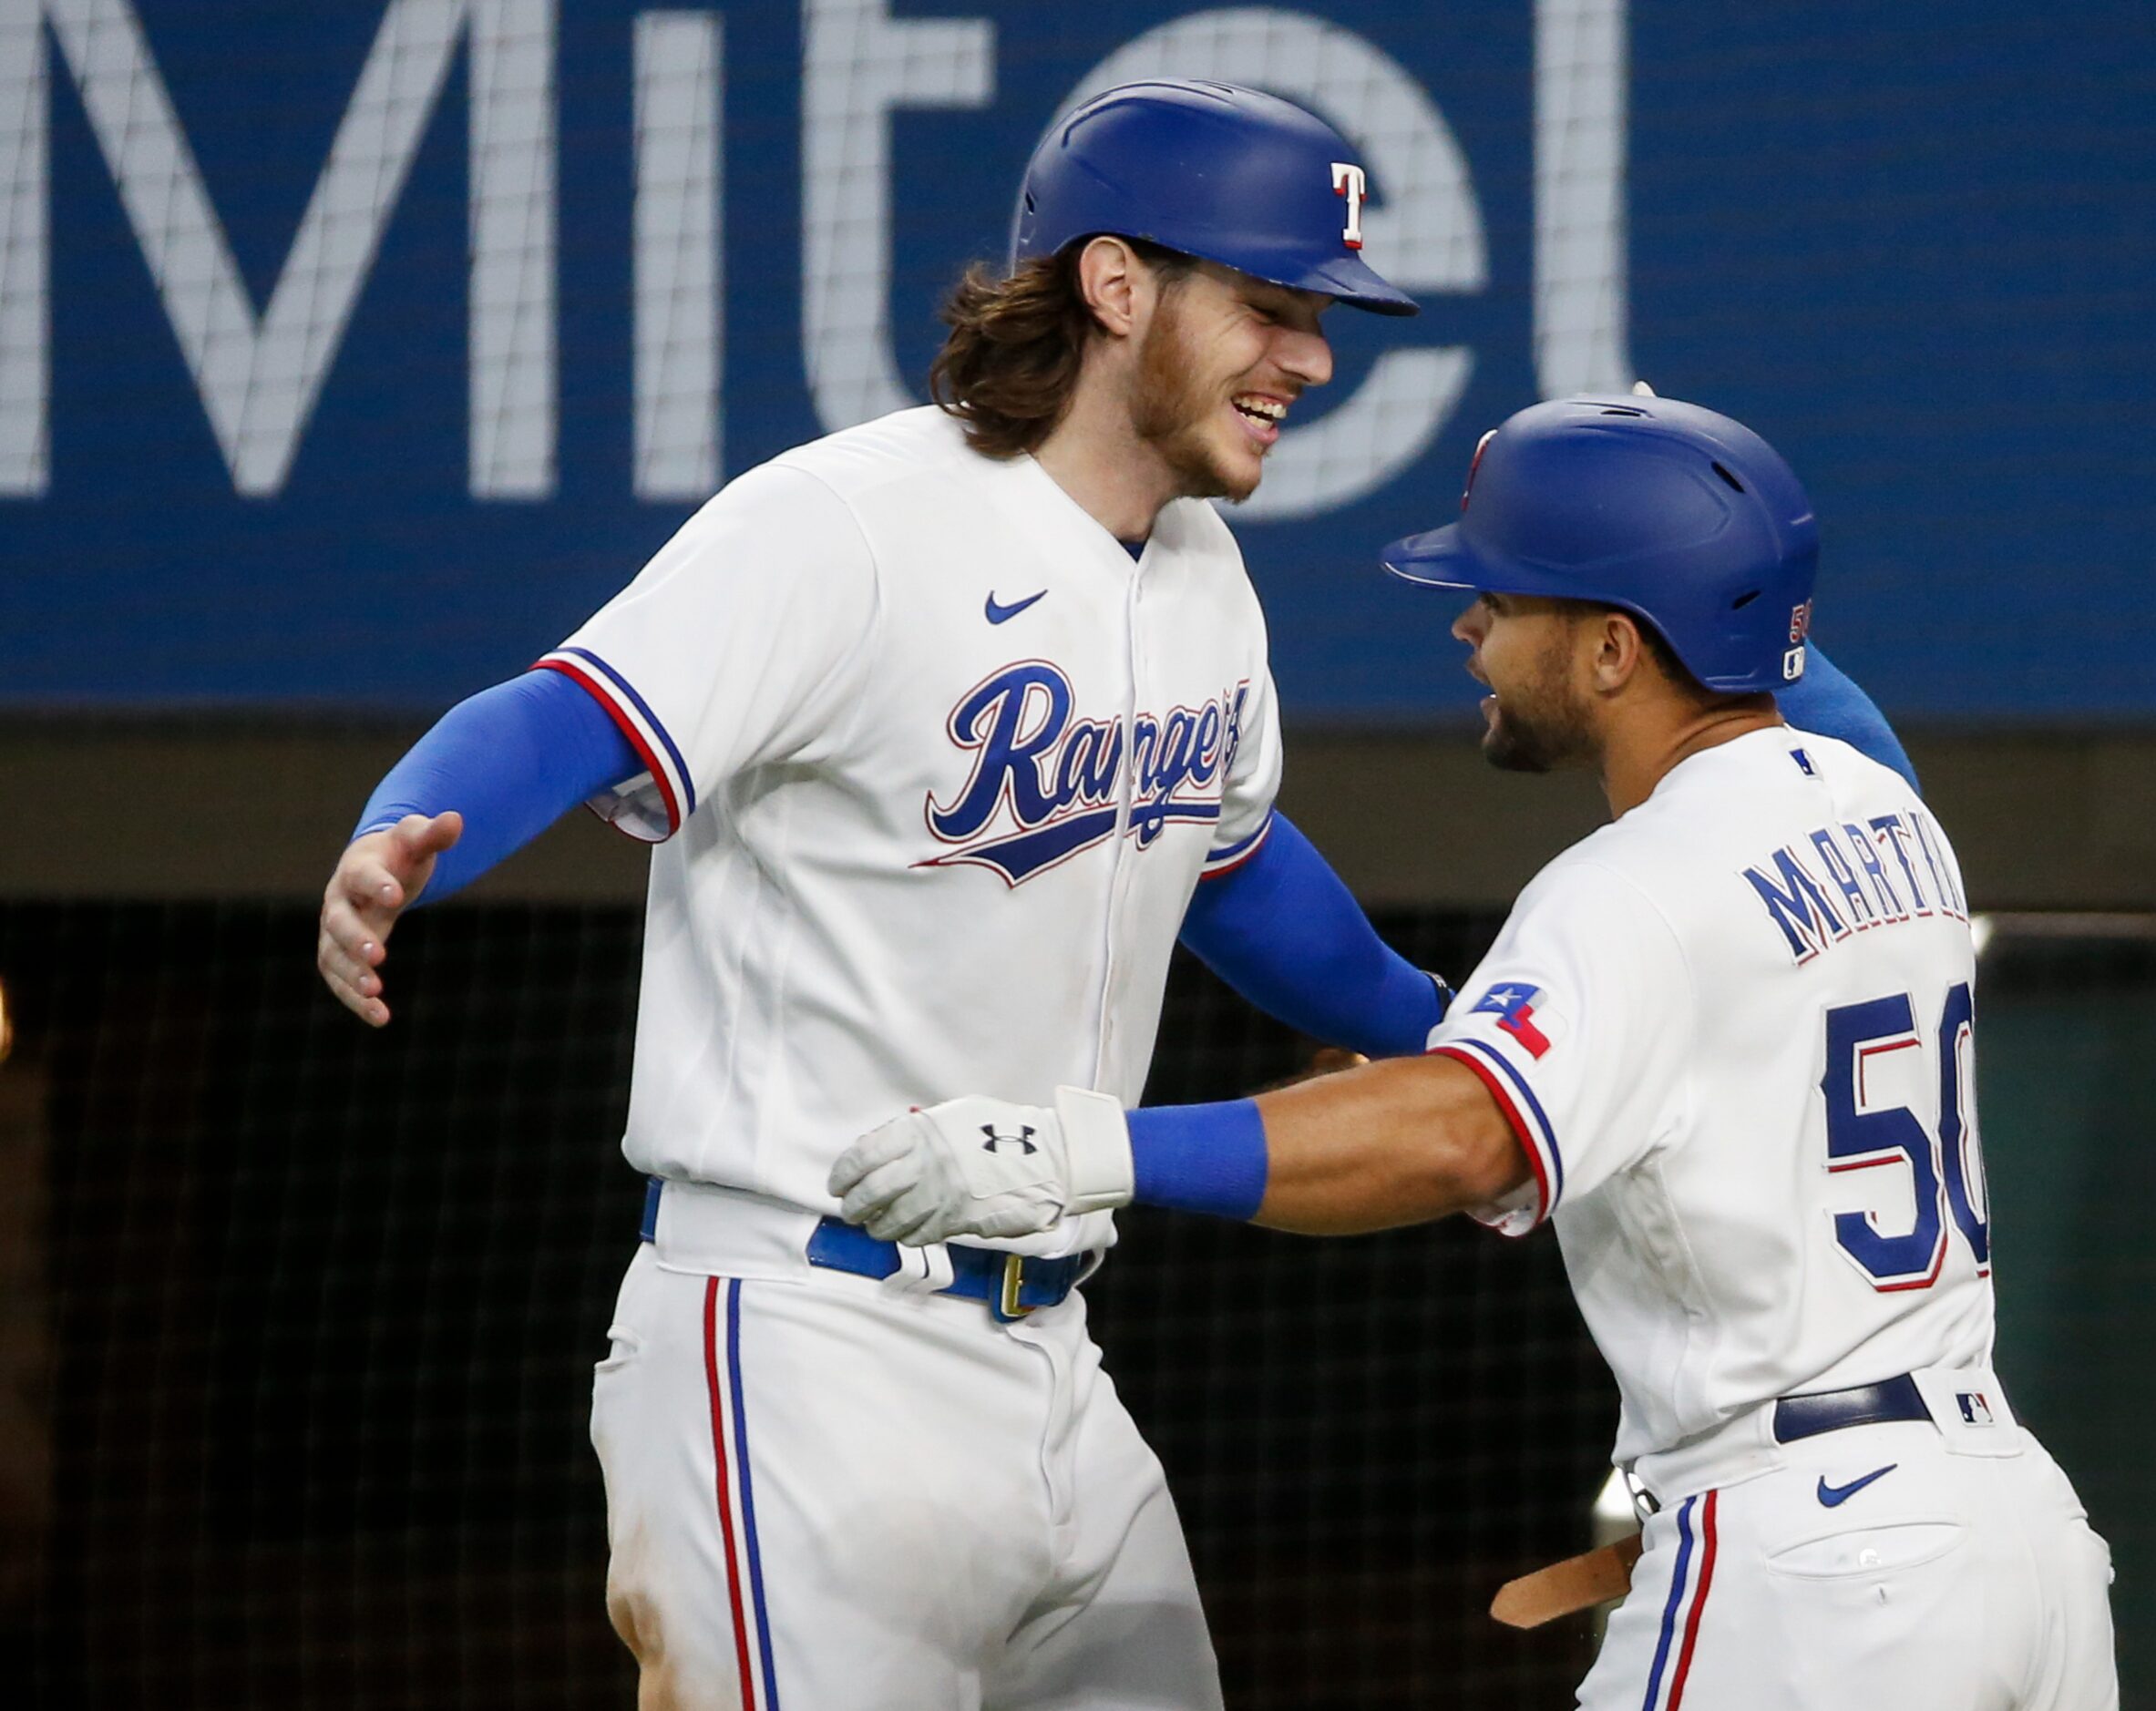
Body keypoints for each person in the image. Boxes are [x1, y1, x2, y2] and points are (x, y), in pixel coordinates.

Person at [317, 77, 1908, 1707]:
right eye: (1270, 306)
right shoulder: (848, 522)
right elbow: (575, 708)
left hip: (1056, 1357)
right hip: (799, 1336)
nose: (1312, 357)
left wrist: (1443, 1041)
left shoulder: (1205, 578)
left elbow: (1223, 868)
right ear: (1115, 283)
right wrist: (402, 825)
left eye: (1318, 315)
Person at [828, 393, 2120, 1709]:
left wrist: (1080, 1150)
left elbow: (1461, 1131)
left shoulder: (1634, 886)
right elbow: (1782, 684)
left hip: (1815, 1568)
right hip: (2021, 1544)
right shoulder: (1890, 813)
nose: (1467, 625)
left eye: (1504, 597)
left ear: (1616, 648)